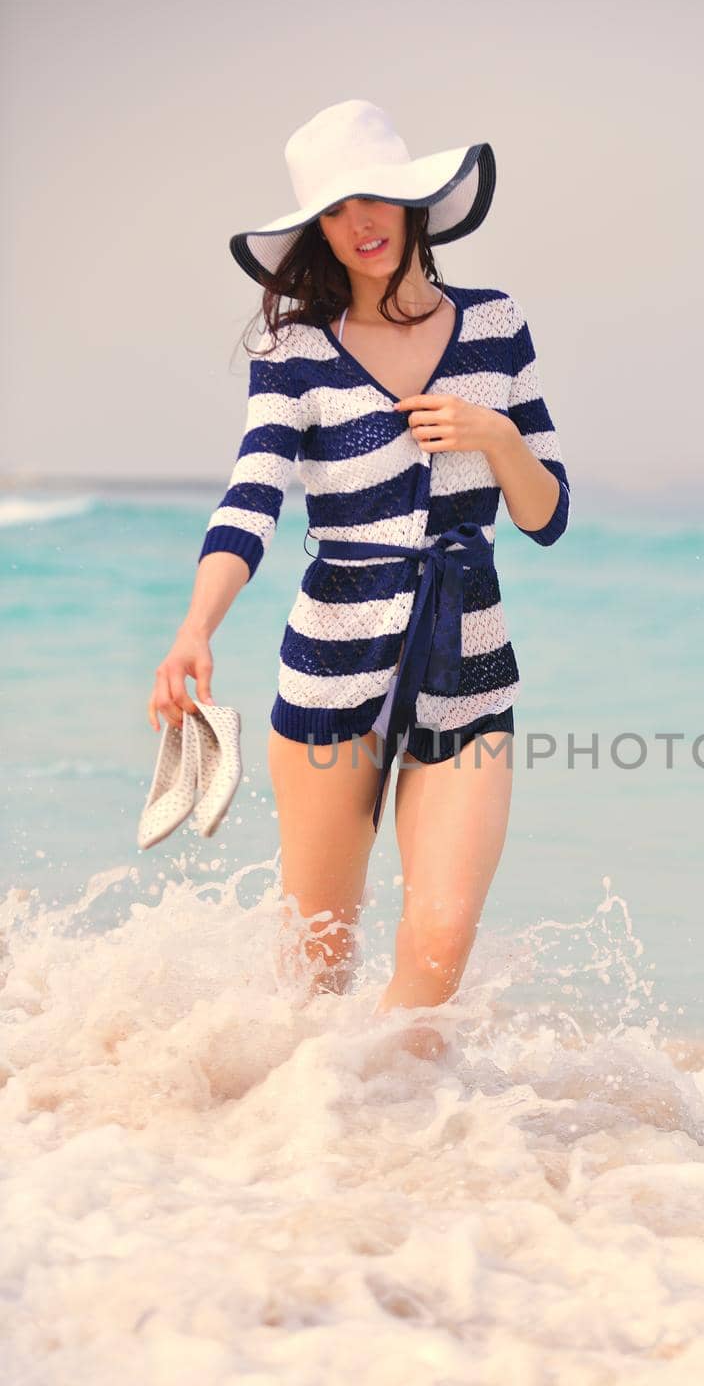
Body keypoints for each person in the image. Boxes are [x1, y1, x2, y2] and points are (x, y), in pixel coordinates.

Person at [146, 99, 570, 1058]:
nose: (362, 223)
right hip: (332, 673)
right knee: (318, 964)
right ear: (317, 231)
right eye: (336, 211)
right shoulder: (295, 351)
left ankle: (378, 1141)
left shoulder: (497, 325)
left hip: (469, 664)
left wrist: (496, 437)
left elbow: (548, 516)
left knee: (441, 944)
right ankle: (297, 1153)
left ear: (417, 203)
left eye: (378, 198)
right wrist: (194, 629)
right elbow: (252, 497)